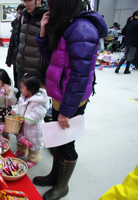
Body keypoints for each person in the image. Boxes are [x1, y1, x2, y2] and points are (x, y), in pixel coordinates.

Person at [34, 0, 107, 199]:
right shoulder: (69, 24)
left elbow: (79, 77)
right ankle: (54, 176)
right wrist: (43, 32)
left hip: (70, 100)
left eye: (52, 5)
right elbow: (53, 58)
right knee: (58, 140)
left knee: (66, 144)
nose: (50, 10)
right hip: (61, 96)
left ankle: (62, 186)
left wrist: (66, 110)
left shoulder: (82, 29)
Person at [11, 74, 48, 168]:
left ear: (30, 89)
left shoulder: (38, 102)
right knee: (21, 140)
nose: (20, 89)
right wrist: (15, 110)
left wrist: (25, 118)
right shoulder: (23, 98)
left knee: (33, 145)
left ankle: (33, 158)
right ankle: (21, 150)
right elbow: (18, 106)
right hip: (23, 126)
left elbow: (37, 115)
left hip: (33, 129)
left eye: (22, 87)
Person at [16, 0, 48, 86]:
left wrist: (45, 77)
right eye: (24, 1)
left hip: (37, 75)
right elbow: (17, 40)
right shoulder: (23, 15)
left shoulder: (47, 16)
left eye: (29, 0)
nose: (25, 4)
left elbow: (51, 48)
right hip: (22, 72)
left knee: (39, 99)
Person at [6, 4, 25, 99]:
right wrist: (8, 60)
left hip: (28, 60)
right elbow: (11, 44)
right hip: (16, 59)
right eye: (19, 13)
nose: (20, 15)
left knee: (26, 83)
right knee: (17, 81)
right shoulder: (15, 25)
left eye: (22, 12)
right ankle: (18, 101)